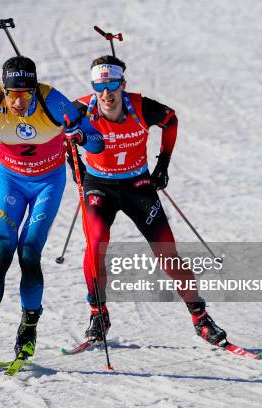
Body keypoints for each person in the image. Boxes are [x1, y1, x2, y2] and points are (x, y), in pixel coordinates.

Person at [0, 56, 104, 362]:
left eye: (25, 95)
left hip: (47, 184)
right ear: (3, 89)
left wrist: (80, 135)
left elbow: (97, 142)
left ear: (34, 90)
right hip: (12, 183)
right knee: (1, 251)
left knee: (29, 252)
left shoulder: (52, 100)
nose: (18, 102)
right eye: (12, 94)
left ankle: (28, 329)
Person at [67, 55, 227, 346]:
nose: (106, 93)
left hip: (137, 185)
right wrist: (72, 160)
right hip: (99, 184)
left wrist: (163, 164)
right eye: (99, 86)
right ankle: (98, 314)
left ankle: (200, 318)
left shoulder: (141, 106)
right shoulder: (80, 110)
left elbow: (171, 120)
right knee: (96, 242)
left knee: (167, 252)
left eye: (112, 84)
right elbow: (59, 131)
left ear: (122, 84)